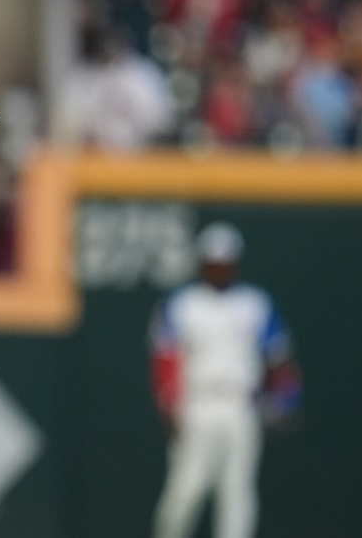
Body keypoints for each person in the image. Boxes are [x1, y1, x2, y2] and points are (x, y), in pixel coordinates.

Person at [148, 221, 302, 538]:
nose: (219, 270)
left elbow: (278, 358)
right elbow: (164, 360)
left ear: (235, 264)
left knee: (238, 492)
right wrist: (169, 409)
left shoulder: (254, 303)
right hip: (198, 403)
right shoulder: (183, 304)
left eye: (225, 264)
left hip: (240, 404)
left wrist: (286, 399)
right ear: (202, 264)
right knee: (186, 488)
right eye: (213, 263)